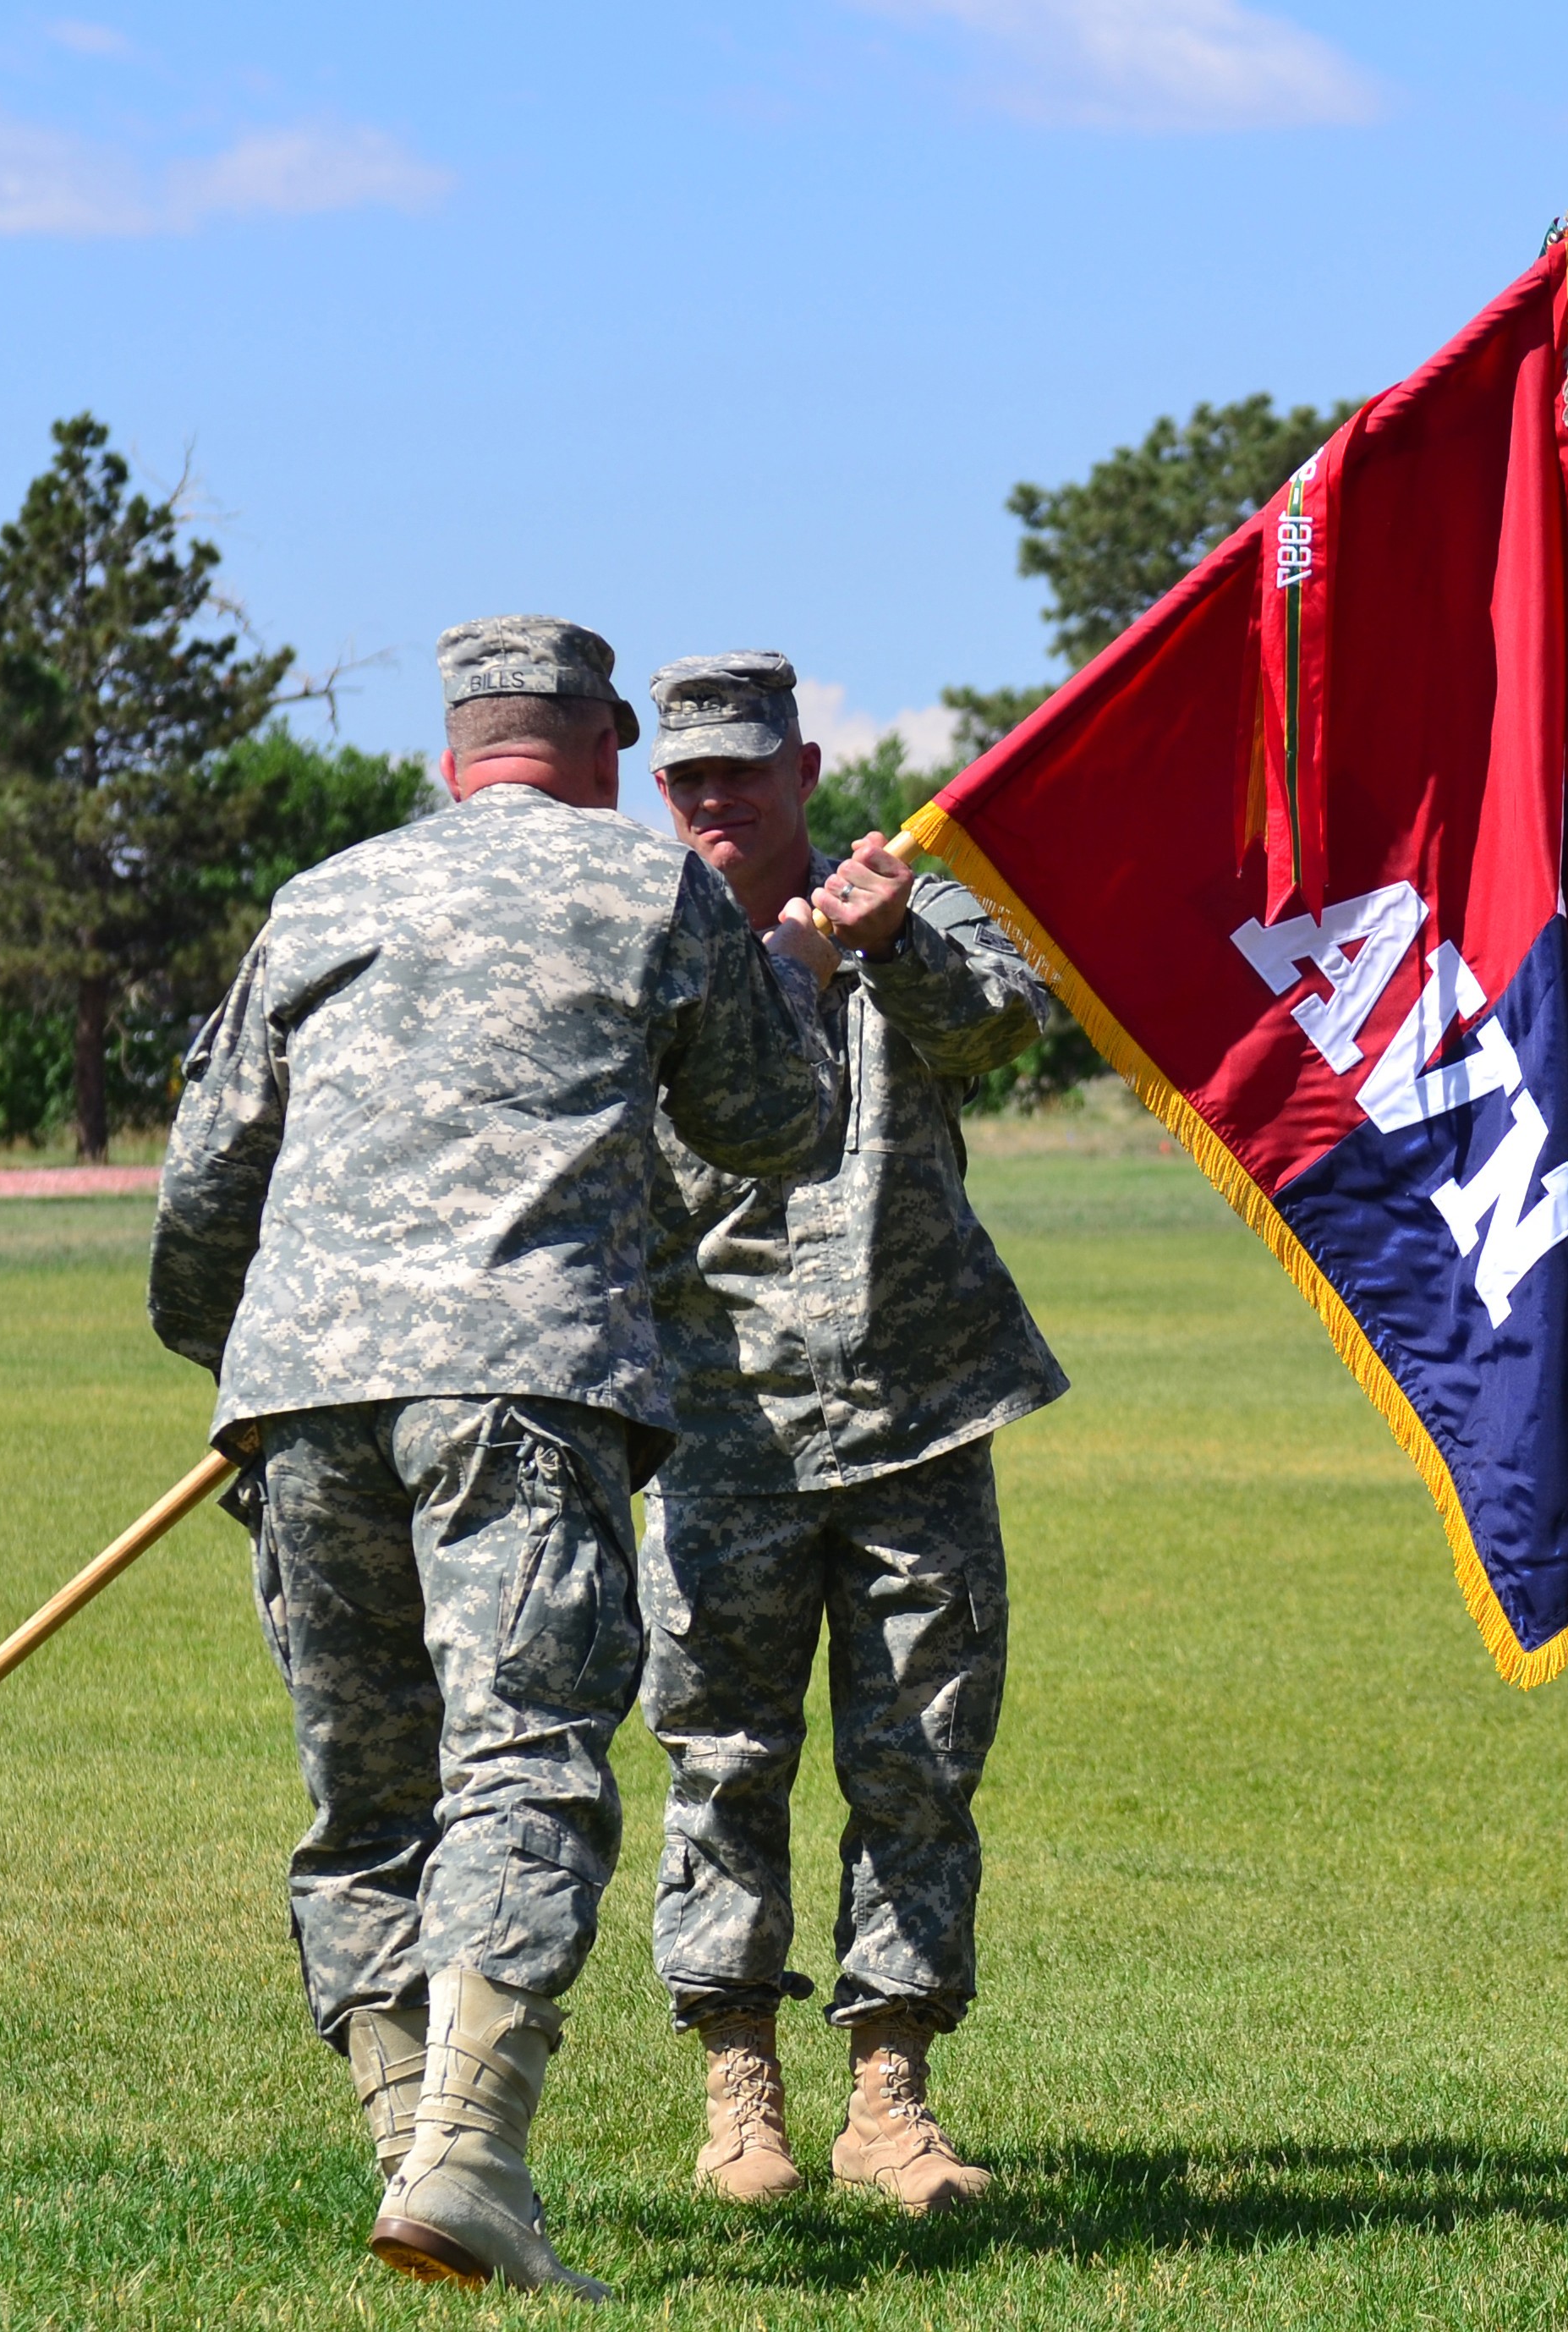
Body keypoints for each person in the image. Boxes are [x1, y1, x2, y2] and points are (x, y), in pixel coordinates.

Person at [147, 617, 842, 2297]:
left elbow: (201, 1185)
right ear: (602, 742)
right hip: (522, 1388)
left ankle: (418, 2159)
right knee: (518, 1758)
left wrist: (240, 1359)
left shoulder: (322, 897)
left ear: (453, 747)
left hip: (302, 1395)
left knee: (367, 1792)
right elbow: (777, 1123)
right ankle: (467, 2157)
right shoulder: (645, 887)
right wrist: (806, 974)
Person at [640, 650, 1068, 2214]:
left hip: (915, 1402)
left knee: (918, 1766)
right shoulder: (638, 928)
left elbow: (1010, 1020)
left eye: (741, 771)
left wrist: (888, 949)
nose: (713, 800)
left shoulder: (908, 896)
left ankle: (890, 2093)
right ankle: (737, 2084)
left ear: (803, 770)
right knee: (722, 1759)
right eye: (686, 777)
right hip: (715, 1419)